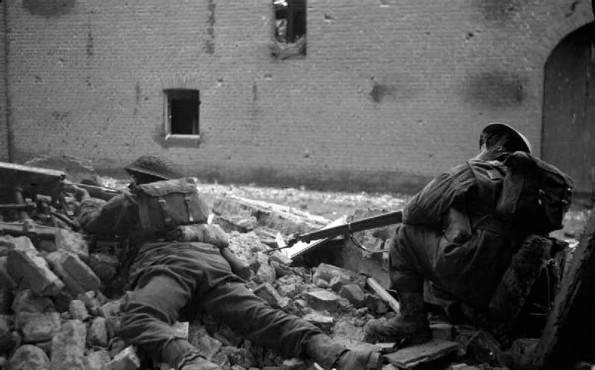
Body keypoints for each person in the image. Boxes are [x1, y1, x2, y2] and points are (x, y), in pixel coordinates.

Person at [75, 155, 381, 370]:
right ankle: (337, 355)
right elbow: (234, 260)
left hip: (168, 267)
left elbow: (91, 222)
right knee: (259, 315)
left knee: (138, 318)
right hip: (213, 265)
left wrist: (85, 199)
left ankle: (191, 361)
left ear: (136, 179)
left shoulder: (132, 200)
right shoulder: (189, 202)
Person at [364, 122, 537, 345]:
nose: (480, 151)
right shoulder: (529, 194)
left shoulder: (476, 171)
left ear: (498, 150)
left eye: (485, 146)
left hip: (469, 275)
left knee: (405, 235)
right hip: (501, 289)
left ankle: (411, 320)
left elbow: (414, 211)